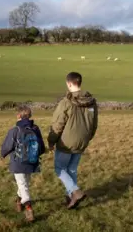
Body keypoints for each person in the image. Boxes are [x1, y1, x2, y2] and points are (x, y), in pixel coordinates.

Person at [48, 72, 98, 209]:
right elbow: (94, 125)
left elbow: (58, 125)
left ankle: (75, 192)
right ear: (79, 83)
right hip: (82, 142)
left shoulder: (66, 103)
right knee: (72, 169)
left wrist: (51, 141)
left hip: (66, 143)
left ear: (69, 83)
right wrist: (87, 139)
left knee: (59, 169)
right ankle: (71, 198)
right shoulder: (91, 102)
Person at [1, 105, 45, 222]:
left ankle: (29, 209)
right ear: (29, 116)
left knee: (23, 185)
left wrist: (3, 154)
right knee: (24, 184)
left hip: (18, 163)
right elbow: (42, 147)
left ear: (18, 116)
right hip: (32, 162)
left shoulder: (15, 130)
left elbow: (7, 146)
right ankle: (18, 202)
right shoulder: (35, 129)